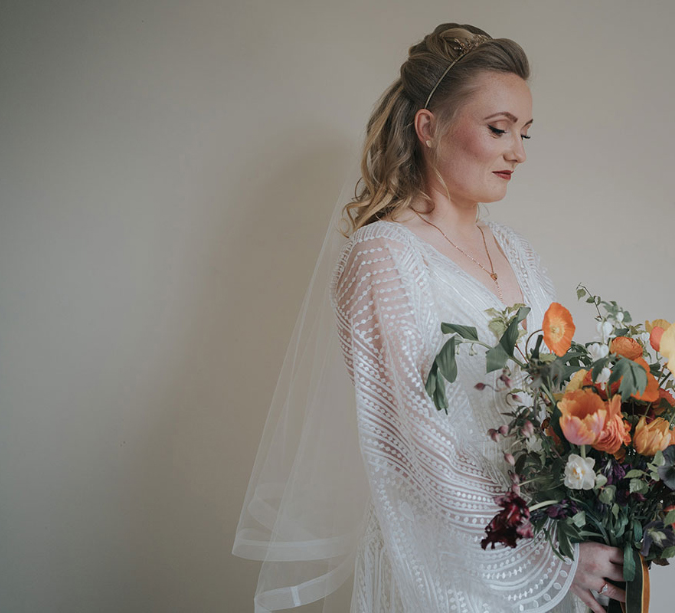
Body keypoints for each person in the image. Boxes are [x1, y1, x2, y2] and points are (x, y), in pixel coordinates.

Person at [233, 23, 626, 613]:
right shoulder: (384, 258)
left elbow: (567, 399)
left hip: (543, 551)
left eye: (524, 132)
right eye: (498, 129)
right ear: (428, 127)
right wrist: (554, 557)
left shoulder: (516, 250)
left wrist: (610, 499)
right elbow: (417, 449)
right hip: (444, 568)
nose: (517, 150)